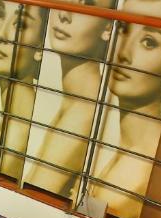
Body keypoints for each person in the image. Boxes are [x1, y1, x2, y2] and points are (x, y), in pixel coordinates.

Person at [87, 0, 161, 218]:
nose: (124, 53)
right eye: (123, 29)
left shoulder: (148, 165)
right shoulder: (125, 146)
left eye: (148, 42)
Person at [26, 0, 114, 199]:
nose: (64, 14)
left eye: (87, 3)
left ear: (108, 27)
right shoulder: (74, 101)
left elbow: (30, 197)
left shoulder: (83, 114)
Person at [0, 1, 50, 179]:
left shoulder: (16, 133)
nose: (0, 34)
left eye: (19, 24)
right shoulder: (15, 117)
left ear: (40, 47)